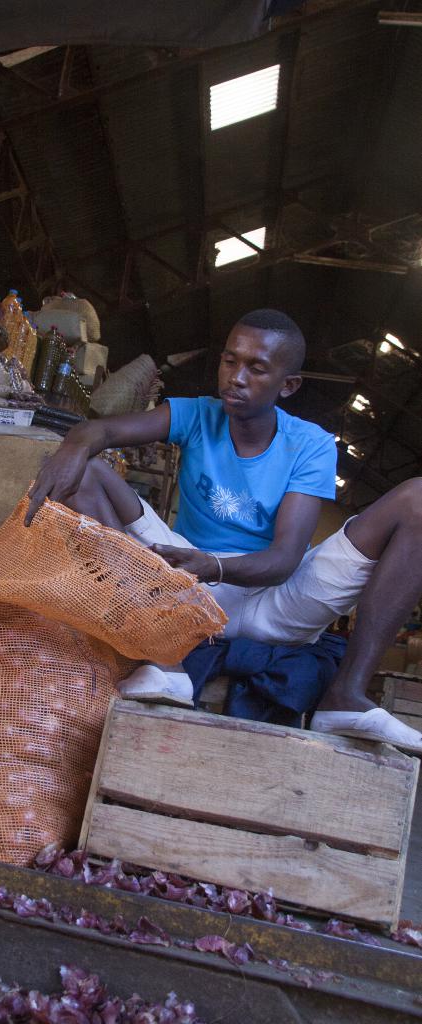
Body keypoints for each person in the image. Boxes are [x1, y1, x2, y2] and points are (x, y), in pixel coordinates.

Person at [26, 309, 422, 754]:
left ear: (287, 385)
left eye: (256, 368)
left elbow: (284, 561)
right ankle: (167, 663)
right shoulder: (195, 414)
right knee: (86, 474)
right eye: (230, 360)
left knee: (417, 499)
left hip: (281, 600)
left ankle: (345, 695)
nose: (236, 377)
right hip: (186, 592)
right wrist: (73, 446)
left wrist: (213, 565)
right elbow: (100, 428)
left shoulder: (309, 444)